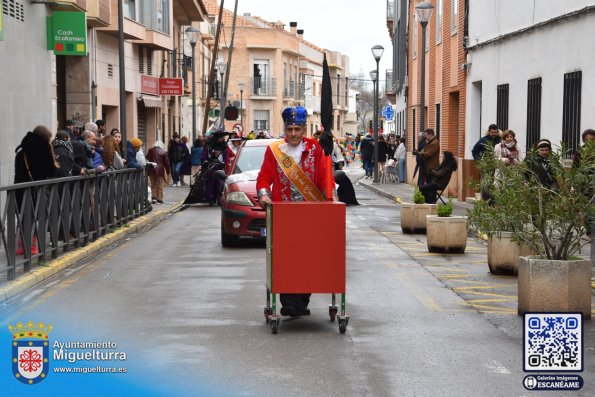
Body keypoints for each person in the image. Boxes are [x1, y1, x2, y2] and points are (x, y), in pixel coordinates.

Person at [256, 106, 334, 318]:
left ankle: (301, 302)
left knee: (306, 257)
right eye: (289, 129)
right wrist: (264, 195)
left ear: (303, 130)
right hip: (283, 216)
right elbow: (264, 178)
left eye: (297, 129)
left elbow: (324, 177)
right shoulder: (274, 151)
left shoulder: (315, 148)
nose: (293, 134)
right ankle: (290, 303)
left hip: (310, 215)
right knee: (286, 258)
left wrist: (329, 195)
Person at [14, 126, 60, 255]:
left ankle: (22, 245)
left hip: (20, 188)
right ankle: (33, 246)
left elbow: (17, 173)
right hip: (38, 189)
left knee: (24, 216)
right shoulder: (44, 149)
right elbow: (51, 171)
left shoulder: (21, 152)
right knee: (37, 216)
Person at [472, 124, 502, 201]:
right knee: (486, 184)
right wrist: (479, 161)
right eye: (492, 132)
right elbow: (474, 151)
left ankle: (495, 201)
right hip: (486, 166)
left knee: (496, 183)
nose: (494, 134)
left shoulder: (500, 140)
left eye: (495, 132)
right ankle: (485, 201)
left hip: (497, 165)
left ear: (497, 132)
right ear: (489, 132)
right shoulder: (483, 140)